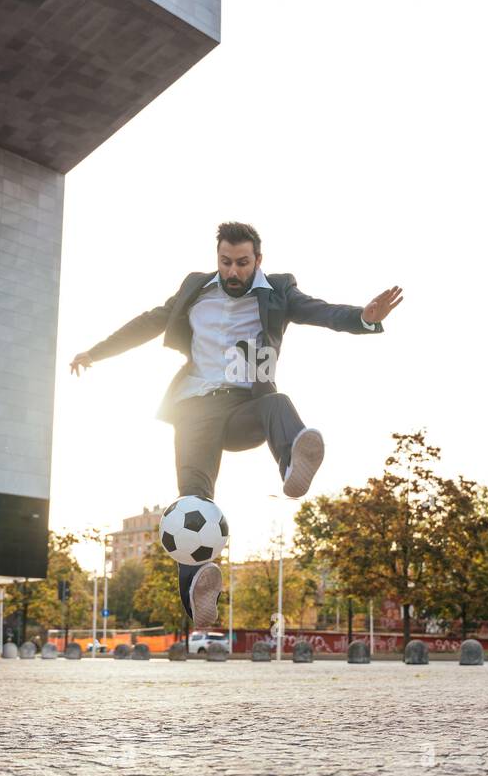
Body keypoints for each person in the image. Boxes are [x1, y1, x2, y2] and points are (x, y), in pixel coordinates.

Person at [69, 222, 403, 629]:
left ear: (257, 261)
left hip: (246, 406)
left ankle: (292, 464)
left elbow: (319, 310)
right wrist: (95, 352)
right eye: (226, 262)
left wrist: (362, 318)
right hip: (193, 408)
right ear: (218, 259)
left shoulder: (278, 290)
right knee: (192, 505)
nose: (233, 272)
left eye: (242, 263)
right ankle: (199, 596)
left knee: (276, 403)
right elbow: (149, 321)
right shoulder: (195, 287)